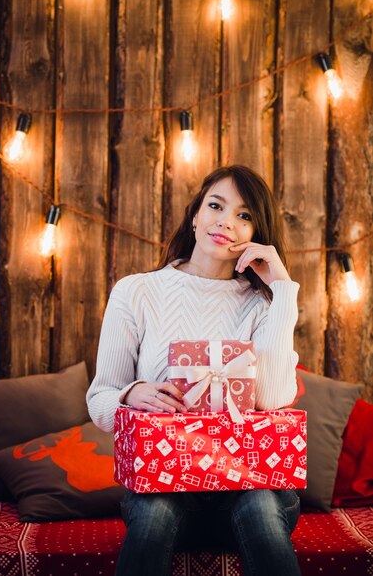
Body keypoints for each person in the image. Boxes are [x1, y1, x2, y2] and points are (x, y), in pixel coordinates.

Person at [87, 164, 301, 576]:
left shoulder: (264, 304)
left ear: (258, 233)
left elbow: (272, 398)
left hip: (249, 485)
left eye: (245, 215)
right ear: (195, 215)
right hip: (163, 483)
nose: (226, 223)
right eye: (216, 206)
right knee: (152, 515)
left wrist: (283, 289)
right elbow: (100, 402)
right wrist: (130, 394)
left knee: (259, 502)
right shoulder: (137, 292)